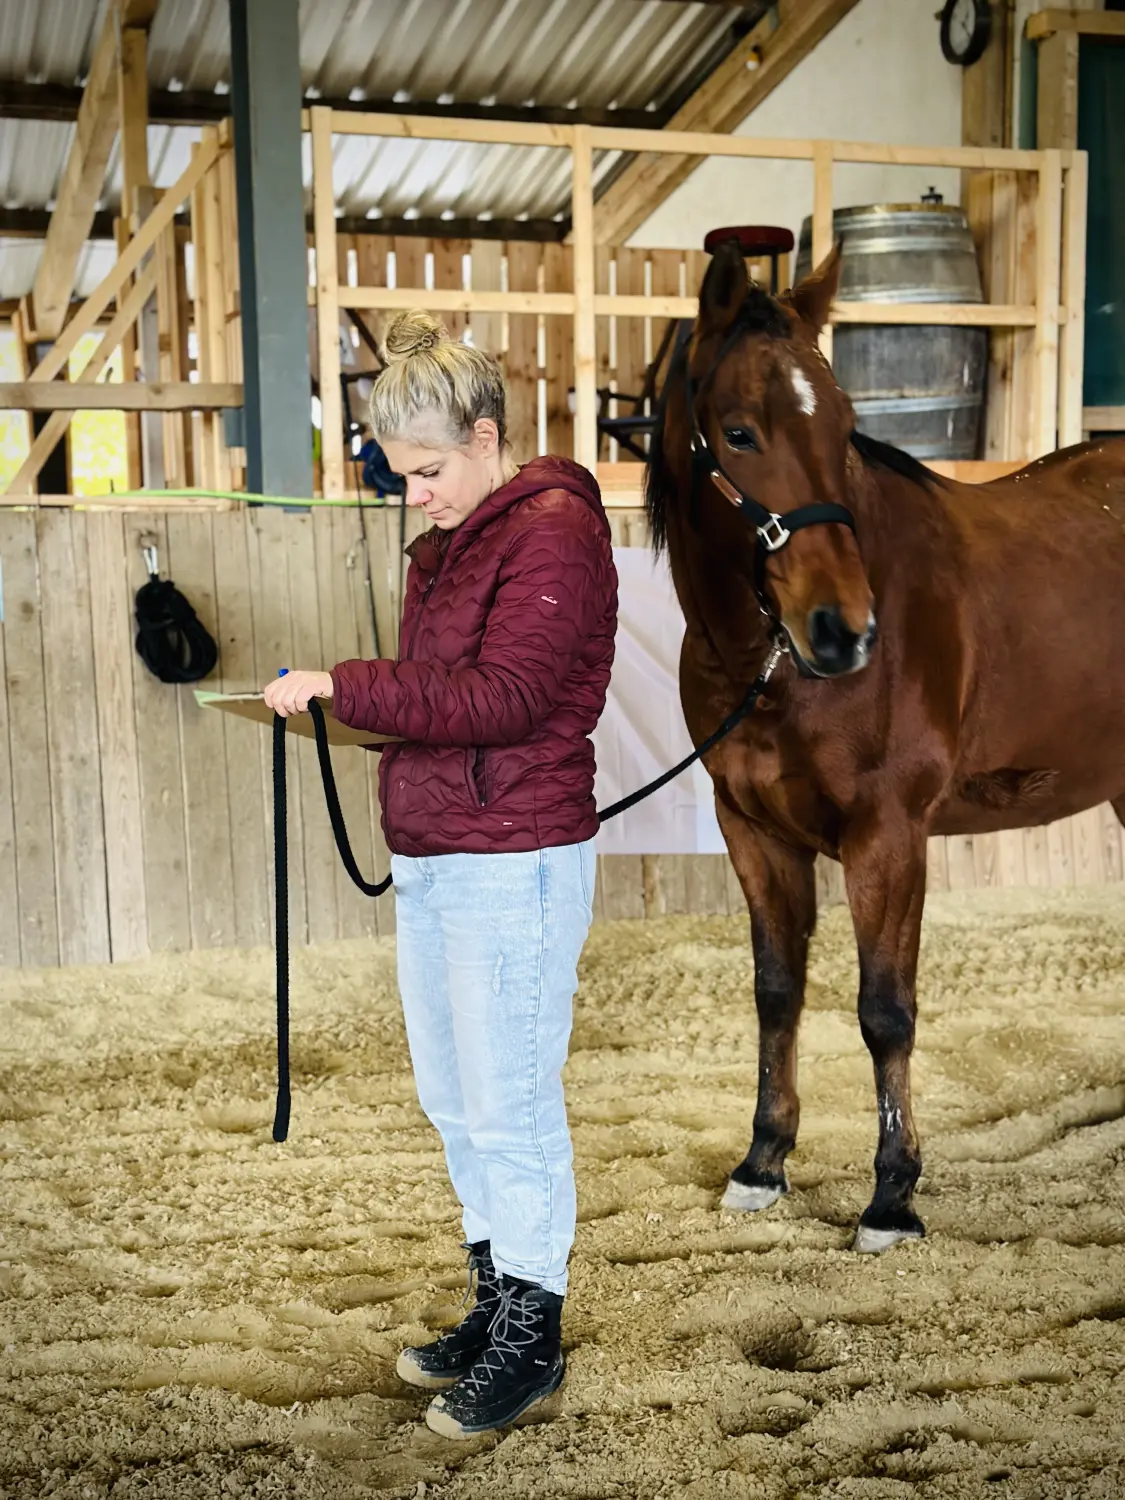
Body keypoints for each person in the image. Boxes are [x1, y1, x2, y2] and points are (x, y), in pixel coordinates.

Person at [263, 310, 618, 1439]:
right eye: (399, 476)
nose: (412, 493)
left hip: (515, 857)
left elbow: (508, 699)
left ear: (483, 433)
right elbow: (450, 703)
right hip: (441, 849)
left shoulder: (552, 529)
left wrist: (348, 688)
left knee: (511, 1105)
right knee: (456, 1101)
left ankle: (535, 1335)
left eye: (426, 470)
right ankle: (499, 1298)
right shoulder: (460, 538)